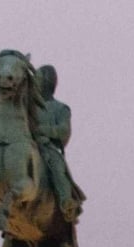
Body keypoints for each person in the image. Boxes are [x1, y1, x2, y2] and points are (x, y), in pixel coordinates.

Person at [34, 64, 84, 223]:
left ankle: (66, 202)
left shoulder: (61, 108)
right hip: (27, 144)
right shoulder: (28, 106)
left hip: (48, 148)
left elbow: (64, 130)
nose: (34, 81)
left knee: (57, 167)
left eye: (37, 78)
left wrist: (44, 130)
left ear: (47, 82)